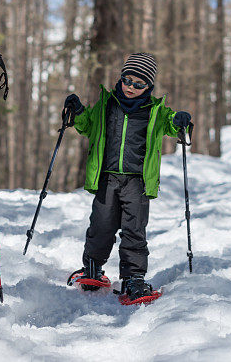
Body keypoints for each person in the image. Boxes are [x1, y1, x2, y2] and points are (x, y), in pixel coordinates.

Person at [64, 53, 192, 302]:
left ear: (149, 87)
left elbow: (171, 124)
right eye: (127, 80)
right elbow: (87, 125)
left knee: (134, 231)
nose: (131, 87)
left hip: (137, 181)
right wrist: (78, 111)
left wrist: (179, 121)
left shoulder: (155, 110)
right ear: (121, 78)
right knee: (101, 225)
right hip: (107, 177)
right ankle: (92, 268)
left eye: (139, 84)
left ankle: (134, 278)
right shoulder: (107, 104)